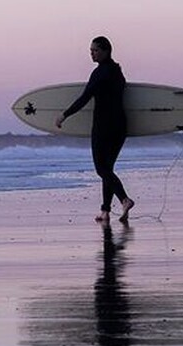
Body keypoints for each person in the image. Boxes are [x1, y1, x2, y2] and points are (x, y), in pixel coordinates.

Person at [54, 36, 134, 223]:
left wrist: (64, 115)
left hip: (103, 126)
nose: (92, 53)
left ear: (106, 51)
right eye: (91, 50)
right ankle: (105, 211)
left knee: (101, 169)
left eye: (95, 50)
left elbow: (85, 98)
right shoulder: (117, 72)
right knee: (108, 169)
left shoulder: (100, 73)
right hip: (120, 125)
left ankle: (124, 199)